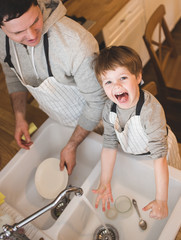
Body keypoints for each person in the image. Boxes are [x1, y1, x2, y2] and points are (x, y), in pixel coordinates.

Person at [0, 0, 107, 175]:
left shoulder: (75, 43)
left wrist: (72, 144)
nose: (32, 35)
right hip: (61, 123)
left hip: (104, 125)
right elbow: (13, 75)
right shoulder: (2, 41)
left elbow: (97, 102)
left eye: (35, 21)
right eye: (18, 32)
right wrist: (20, 118)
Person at [92, 45, 181, 220]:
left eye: (123, 78)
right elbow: (109, 145)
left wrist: (162, 200)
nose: (116, 86)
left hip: (159, 154)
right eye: (108, 82)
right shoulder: (108, 109)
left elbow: (159, 158)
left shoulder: (150, 111)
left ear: (138, 76)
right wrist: (105, 181)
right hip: (136, 151)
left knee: (172, 186)